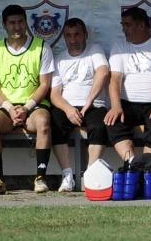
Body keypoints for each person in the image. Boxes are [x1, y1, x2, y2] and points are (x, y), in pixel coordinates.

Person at [0, 4, 54, 194]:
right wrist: (10, 108)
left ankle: (40, 178)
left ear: (26, 23)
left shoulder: (42, 47)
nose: (17, 27)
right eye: (12, 23)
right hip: (6, 107)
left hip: (33, 105)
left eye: (20, 22)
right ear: (4, 25)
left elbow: (44, 85)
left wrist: (26, 107)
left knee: (43, 121)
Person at [105, 7, 151, 165]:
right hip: (127, 104)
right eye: (123, 25)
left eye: (128, 25)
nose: (124, 29)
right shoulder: (119, 47)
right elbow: (115, 80)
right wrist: (116, 106)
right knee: (112, 122)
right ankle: (132, 165)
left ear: (141, 25)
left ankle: (146, 166)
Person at [50, 18, 109, 192]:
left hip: (93, 105)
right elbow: (54, 94)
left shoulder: (95, 50)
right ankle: (67, 175)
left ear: (85, 35)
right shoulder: (59, 59)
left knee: (100, 126)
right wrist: (68, 109)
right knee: (54, 124)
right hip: (67, 108)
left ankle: (90, 175)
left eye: (77, 34)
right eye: (68, 35)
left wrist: (88, 103)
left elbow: (103, 73)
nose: (73, 39)